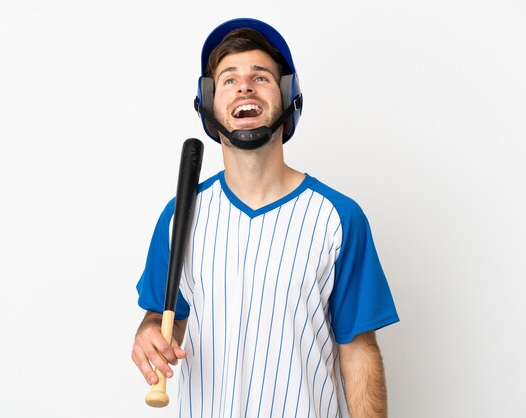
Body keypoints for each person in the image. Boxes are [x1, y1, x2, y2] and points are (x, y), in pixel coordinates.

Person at [132, 17, 399, 418]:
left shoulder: (338, 218)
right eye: (228, 79)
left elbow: (358, 350)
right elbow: (163, 316)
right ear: (209, 102)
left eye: (260, 77)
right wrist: (149, 333)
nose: (244, 86)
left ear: (287, 96)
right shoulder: (178, 218)